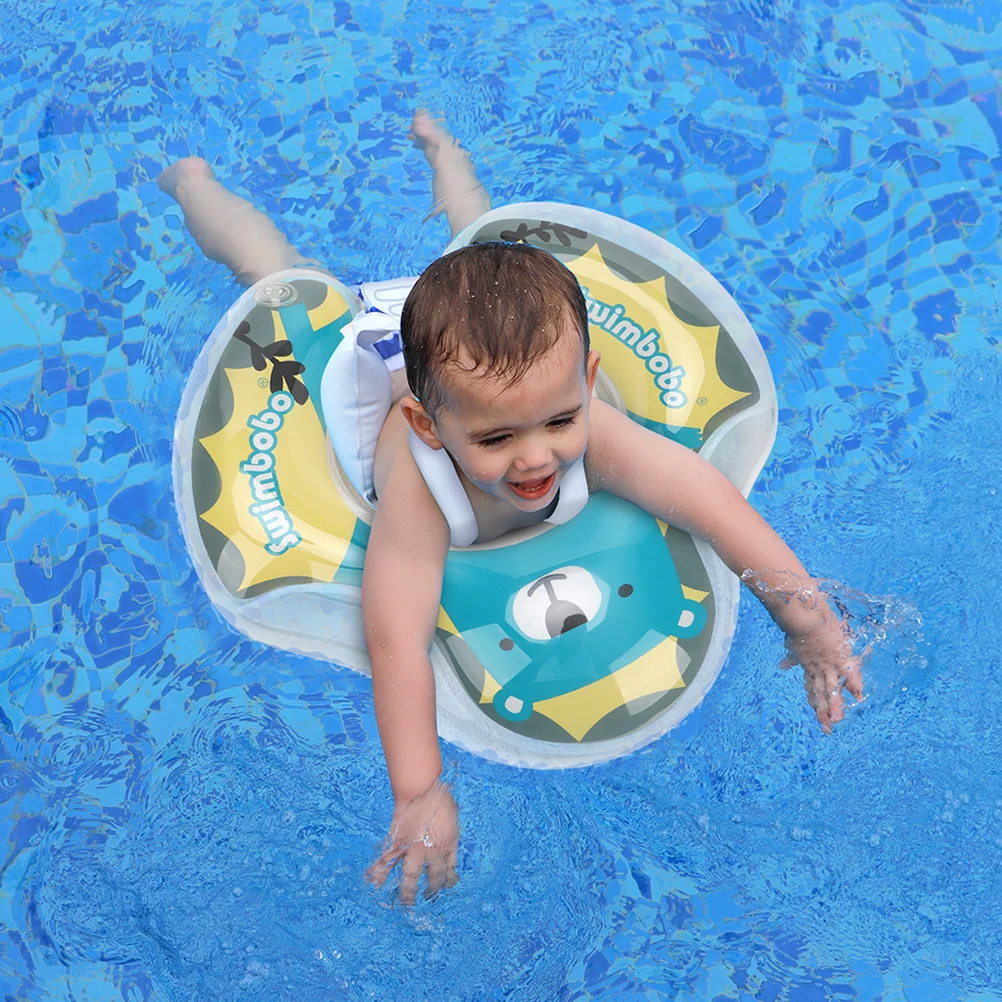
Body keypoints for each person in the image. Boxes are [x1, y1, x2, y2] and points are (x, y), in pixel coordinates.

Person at [159, 110, 865, 906]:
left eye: (561, 422)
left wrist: (803, 616)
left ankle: (443, 152)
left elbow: (705, 497)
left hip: (472, 346)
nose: (536, 458)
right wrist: (418, 789)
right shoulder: (424, 493)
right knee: (273, 272)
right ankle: (194, 185)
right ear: (430, 428)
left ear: (589, 381)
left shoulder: (584, 425)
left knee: (482, 245)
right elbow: (396, 635)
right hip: (375, 355)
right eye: (498, 441)